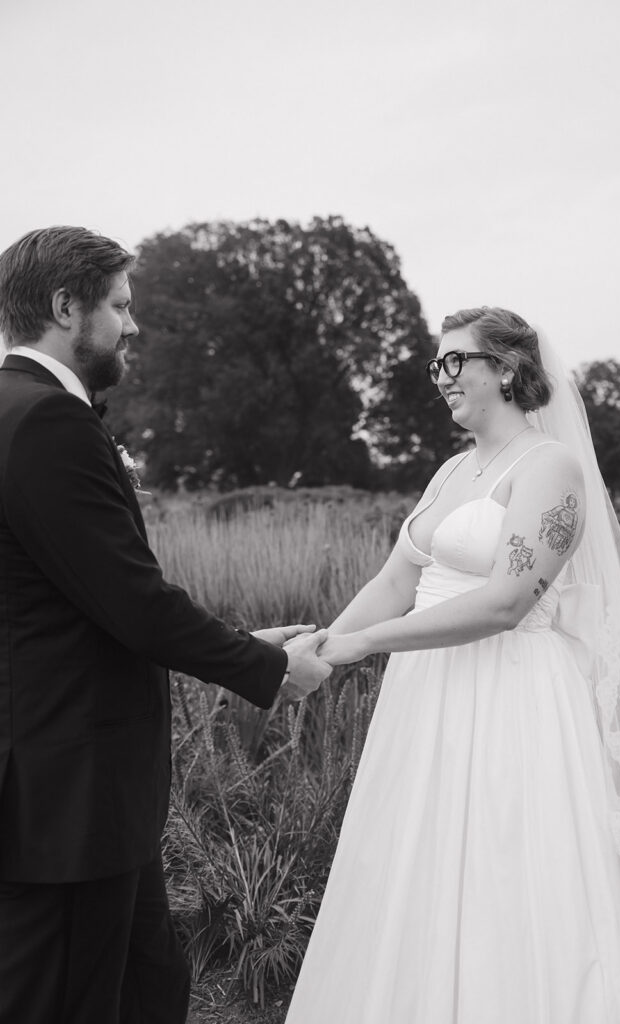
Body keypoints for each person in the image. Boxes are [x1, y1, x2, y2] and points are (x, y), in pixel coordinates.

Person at [284, 307, 620, 1023]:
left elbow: (505, 602)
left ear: (506, 367)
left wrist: (370, 645)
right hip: (427, 698)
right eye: (436, 365)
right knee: (418, 868)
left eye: (455, 361)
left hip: (512, 698)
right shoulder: (451, 471)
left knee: (509, 870)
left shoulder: (550, 467)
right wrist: (322, 650)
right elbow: (395, 582)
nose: (441, 379)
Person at [0, 226, 331, 1024]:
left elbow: (76, 596)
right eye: (120, 306)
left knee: (146, 984)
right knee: (71, 999)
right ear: (64, 305)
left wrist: (248, 646)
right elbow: (132, 602)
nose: (133, 325)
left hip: (74, 788)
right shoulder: (48, 424)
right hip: (70, 789)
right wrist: (266, 668)